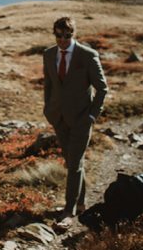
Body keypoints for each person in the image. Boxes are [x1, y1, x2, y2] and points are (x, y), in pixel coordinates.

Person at [43, 15, 108, 226]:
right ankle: (81, 203)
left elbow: (102, 88)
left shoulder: (88, 56)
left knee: (75, 164)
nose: (63, 39)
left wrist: (91, 116)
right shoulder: (49, 54)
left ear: (73, 34)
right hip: (58, 118)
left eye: (67, 35)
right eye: (59, 35)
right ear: (54, 34)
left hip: (81, 119)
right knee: (72, 162)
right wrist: (48, 110)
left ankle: (69, 211)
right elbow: (49, 85)